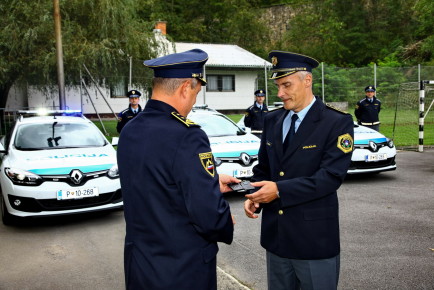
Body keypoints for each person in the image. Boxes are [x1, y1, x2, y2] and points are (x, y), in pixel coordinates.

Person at [117, 49, 237, 290]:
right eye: (196, 92)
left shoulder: (130, 129)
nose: (194, 102)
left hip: (141, 265)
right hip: (182, 270)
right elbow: (207, 212)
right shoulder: (188, 136)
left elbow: (157, 183)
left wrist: (212, 180)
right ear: (185, 88)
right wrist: (225, 221)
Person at [244, 51, 354, 290]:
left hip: (313, 241)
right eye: (277, 86)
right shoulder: (272, 120)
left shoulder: (335, 122)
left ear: (307, 81)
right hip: (277, 238)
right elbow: (264, 168)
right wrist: (254, 194)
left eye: (286, 85)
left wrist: (278, 190)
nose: (280, 93)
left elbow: (330, 177)